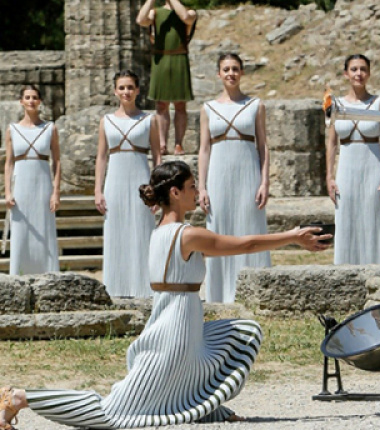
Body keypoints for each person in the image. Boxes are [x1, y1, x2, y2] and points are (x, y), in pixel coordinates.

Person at [0, 161, 329, 429]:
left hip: (179, 324)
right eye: (191, 187)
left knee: (239, 333)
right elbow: (245, 245)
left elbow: (233, 248)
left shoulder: (162, 233)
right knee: (112, 412)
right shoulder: (187, 235)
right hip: (174, 331)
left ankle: (200, 407)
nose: (196, 192)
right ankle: (19, 398)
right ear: (175, 192)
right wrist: (293, 236)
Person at [198, 53, 271, 303]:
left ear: (242, 72)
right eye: (226, 69)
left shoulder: (256, 105)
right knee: (219, 229)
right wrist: (202, 187)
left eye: (235, 69)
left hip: (247, 173)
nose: (231, 73)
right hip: (218, 175)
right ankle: (219, 293)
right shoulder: (208, 108)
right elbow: (204, 149)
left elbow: (263, 146)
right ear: (219, 74)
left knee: (249, 225)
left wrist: (264, 182)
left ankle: (255, 290)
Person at [95, 70, 161, 298]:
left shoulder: (149, 120)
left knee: (143, 230)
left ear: (138, 90)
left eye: (130, 87)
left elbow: (157, 157)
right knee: (116, 230)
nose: (126, 92)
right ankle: (116, 287)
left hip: (141, 180)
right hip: (115, 181)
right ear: (115, 91)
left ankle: (144, 288)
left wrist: (158, 190)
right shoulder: (107, 121)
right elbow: (102, 156)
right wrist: (98, 190)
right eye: (122, 87)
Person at [325, 54, 380, 265]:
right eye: (354, 69)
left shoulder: (379, 103)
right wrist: (329, 177)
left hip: (373, 167)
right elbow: (331, 142)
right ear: (346, 74)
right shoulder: (333, 104)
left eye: (363, 69)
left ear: (369, 73)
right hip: (346, 169)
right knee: (347, 217)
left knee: (375, 218)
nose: (359, 74)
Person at [3, 85, 61, 275]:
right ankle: (19, 274)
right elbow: (9, 163)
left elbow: (57, 162)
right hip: (21, 186)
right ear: (21, 101)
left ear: (40, 101)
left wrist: (55, 192)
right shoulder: (12, 129)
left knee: (45, 229)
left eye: (34, 97)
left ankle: (48, 275)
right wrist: (8, 192)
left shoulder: (50, 128)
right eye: (27, 97)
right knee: (20, 232)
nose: (31, 101)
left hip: (43, 184)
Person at [136, 0, 197, 156]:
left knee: (180, 105)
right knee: (161, 105)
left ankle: (178, 144)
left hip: (179, 58)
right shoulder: (155, 12)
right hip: (160, 59)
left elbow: (185, 16)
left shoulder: (190, 12)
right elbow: (140, 20)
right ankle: (162, 144)